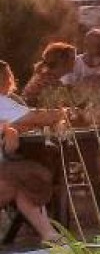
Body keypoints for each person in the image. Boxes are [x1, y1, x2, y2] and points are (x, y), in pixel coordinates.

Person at [0, 64, 60, 244]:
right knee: (33, 174)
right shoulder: (2, 102)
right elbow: (39, 118)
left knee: (21, 183)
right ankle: (50, 234)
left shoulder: (6, 103)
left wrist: (12, 129)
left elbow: (17, 125)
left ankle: (49, 234)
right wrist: (65, 112)